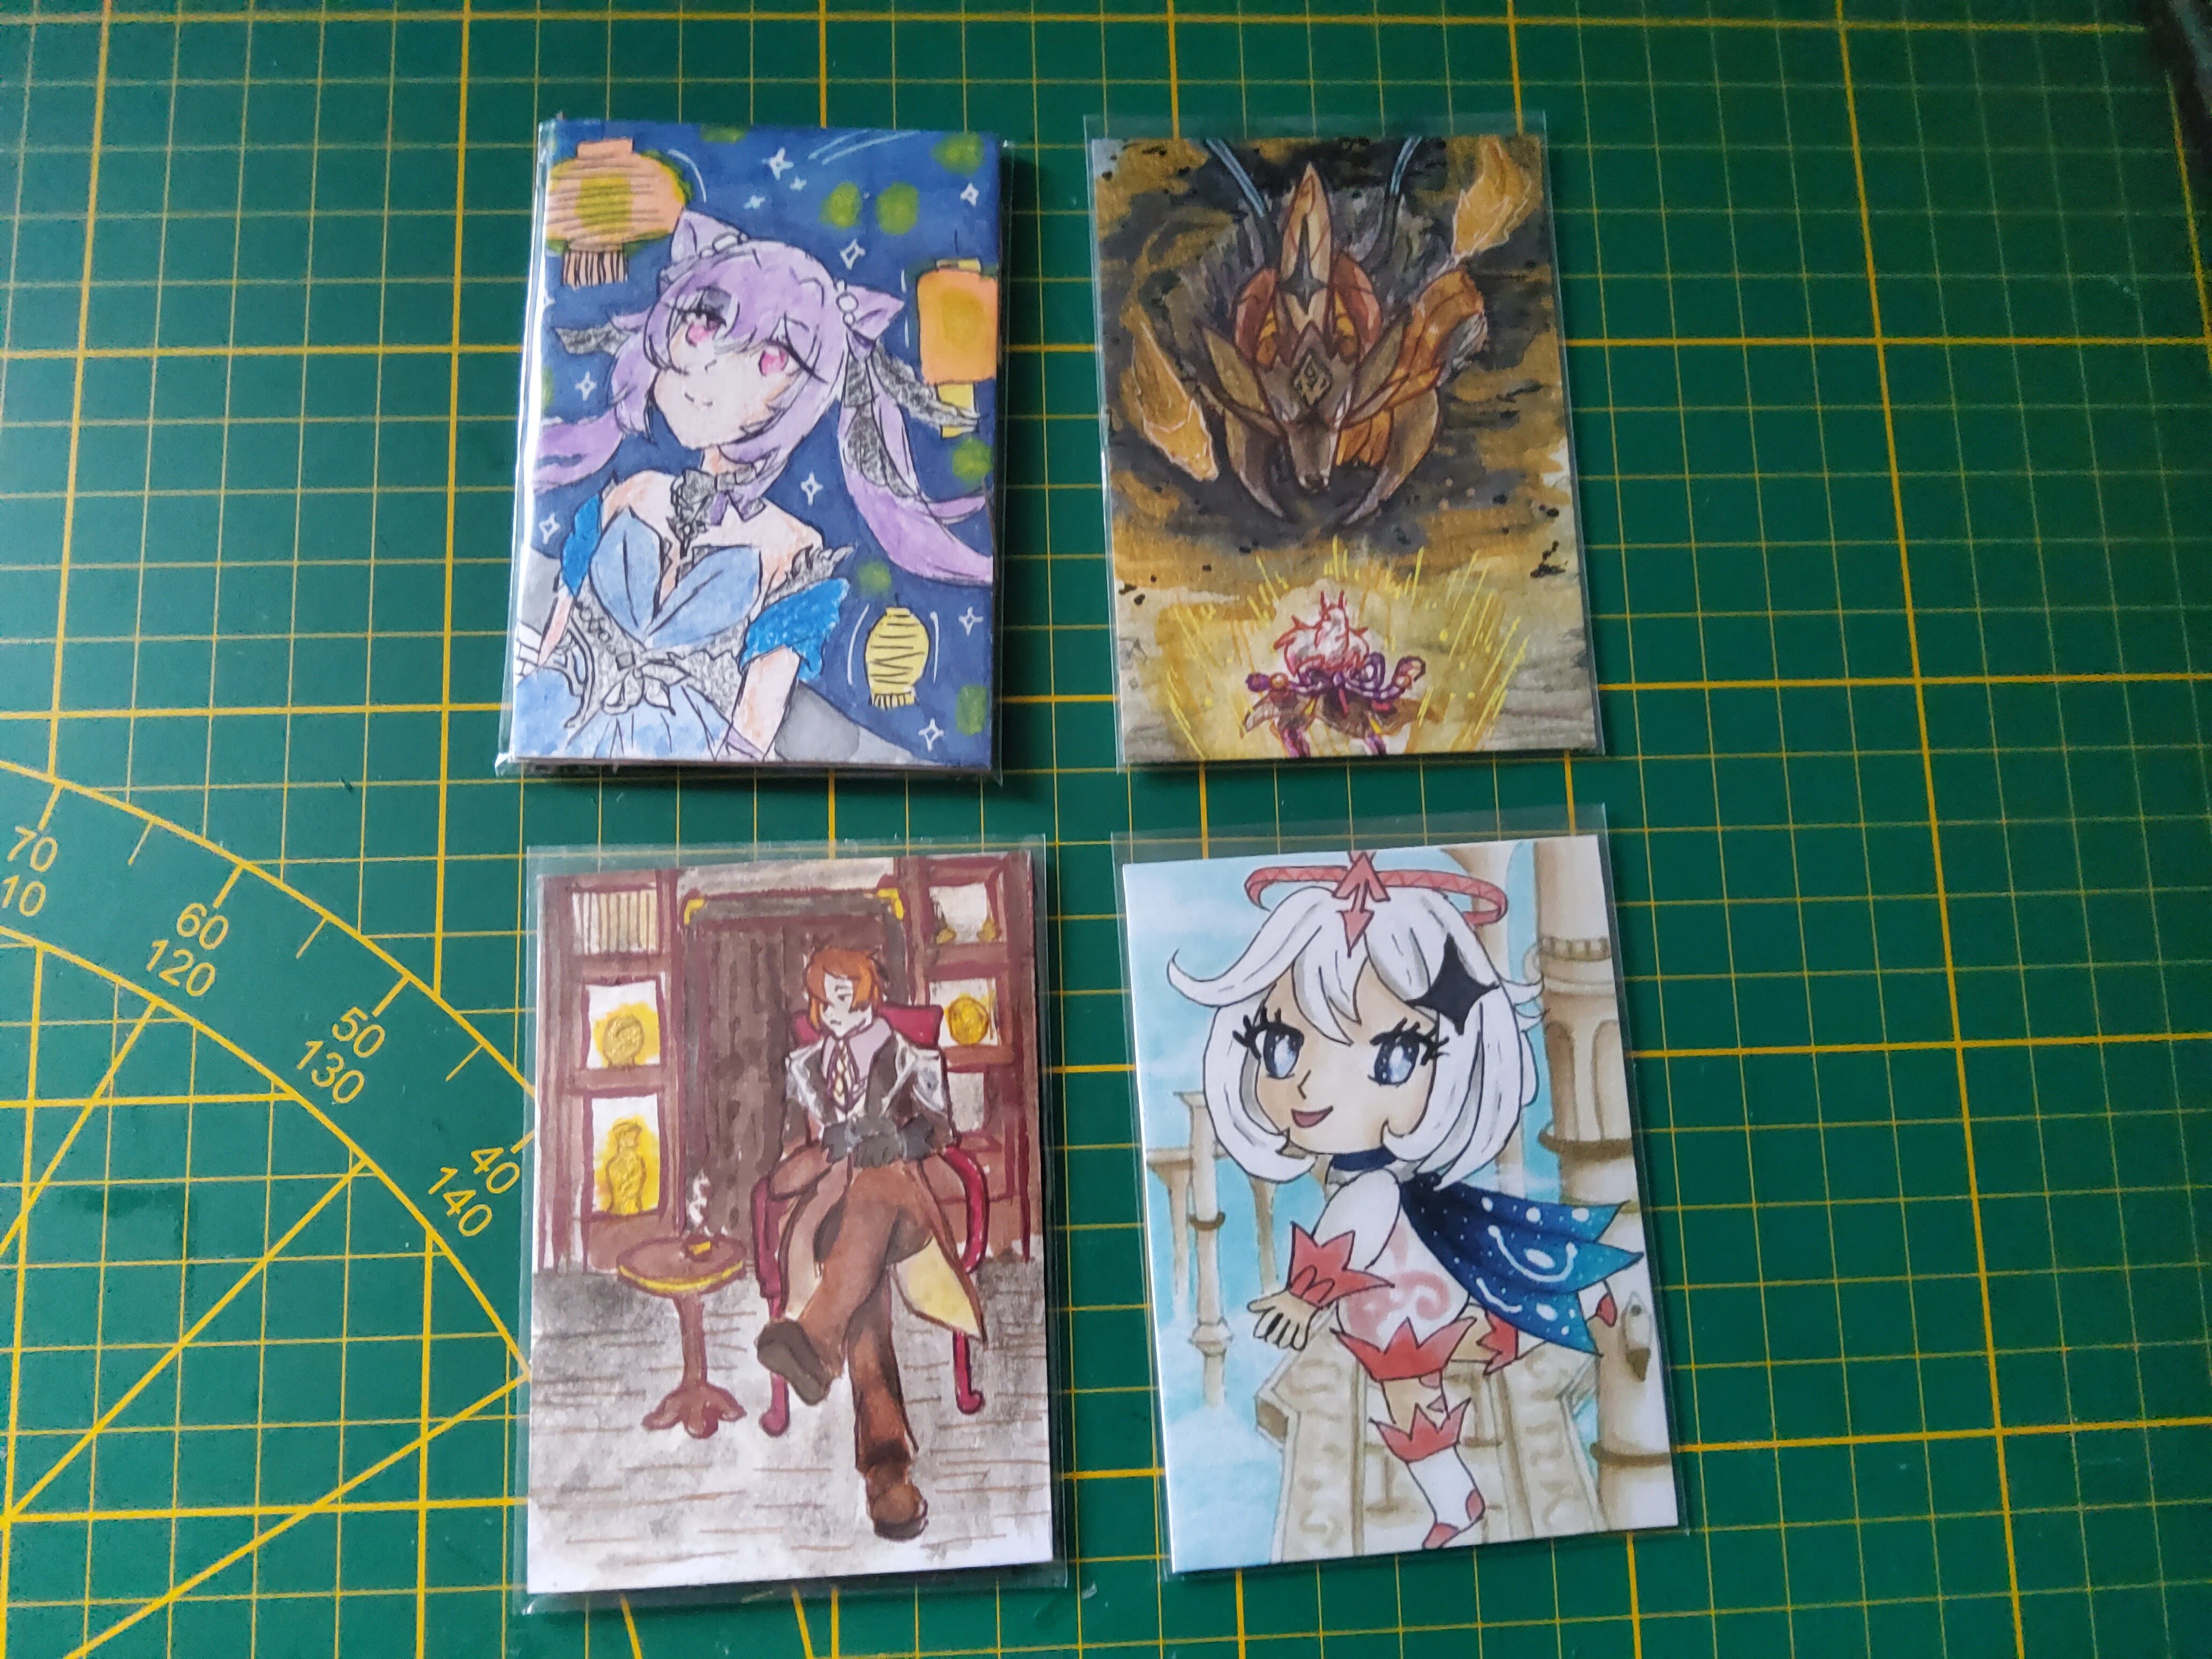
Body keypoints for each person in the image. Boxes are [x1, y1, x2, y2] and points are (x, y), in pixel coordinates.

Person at [1168, 853, 1639, 1549]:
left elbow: (1352, 1234)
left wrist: (1303, 1299)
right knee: (1442, 1370)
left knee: (1414, 1403)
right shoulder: (1383, 1181)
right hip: (1404, 1297)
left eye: (1390, 1057)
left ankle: (1458, 1503)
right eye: (1280, 1047)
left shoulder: (1374, 1183)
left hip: (1398, 1312)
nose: (1310, 1087)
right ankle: (1561, 1317)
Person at [511, 207, 990, 761]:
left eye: (769, 359)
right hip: (551, 728)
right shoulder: (630, 493)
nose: (711, 372)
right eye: (704, 325)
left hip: (684, 762)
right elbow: (556, 639)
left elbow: (753, 730)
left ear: (805, 397)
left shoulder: (793, 550)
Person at [755, 946, 984, 1541]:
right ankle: (888, 1476)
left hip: (903, 1210)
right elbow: (783, 1171)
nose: (833, 1012)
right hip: (830, 1218)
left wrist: (902, 1142)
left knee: (878, 1186)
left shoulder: (909, 1055)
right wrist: (828, 1149)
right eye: (823, 1000)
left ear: (867, 995)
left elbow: (942, 1130)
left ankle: (815, 1341)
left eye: (844, 997)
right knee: (864, 1297)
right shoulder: (803, 1069)